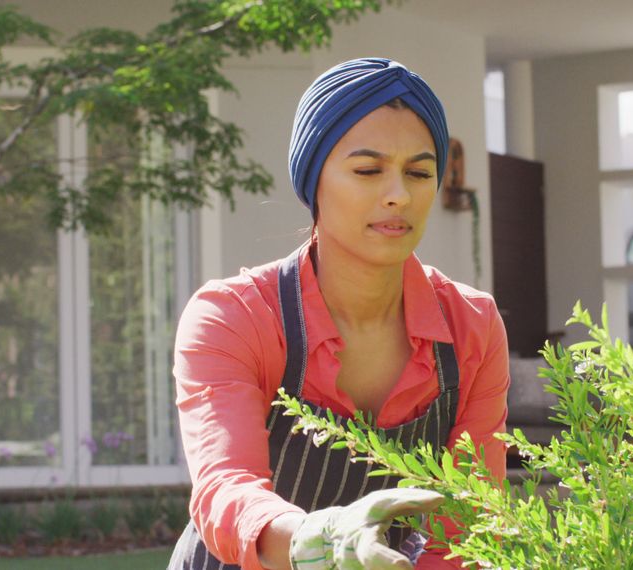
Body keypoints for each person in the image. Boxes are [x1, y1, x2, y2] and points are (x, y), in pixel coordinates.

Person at [168, 58, 510, 570]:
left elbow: (467, 527)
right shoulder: (232, 317)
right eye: (368, 171)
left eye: (418, 172)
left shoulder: (472, 327)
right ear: (315, 181)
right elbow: (226, 488)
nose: (398, 194)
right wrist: (320, 538)